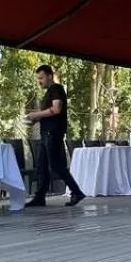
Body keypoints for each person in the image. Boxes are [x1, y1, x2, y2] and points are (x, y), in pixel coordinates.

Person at [24, 64, 86, 207]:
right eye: (38, 78)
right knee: (42, 166)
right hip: (45, 133)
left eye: (41, 78)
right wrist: (34, 119)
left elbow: (57, 109)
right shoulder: (49, 92)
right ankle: (40, 197)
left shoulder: (56, 89)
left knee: (56, 165)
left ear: (50, 76)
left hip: (53, 133)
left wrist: (36, 114)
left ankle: (76, 192)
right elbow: (49, 113)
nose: (39, 81)